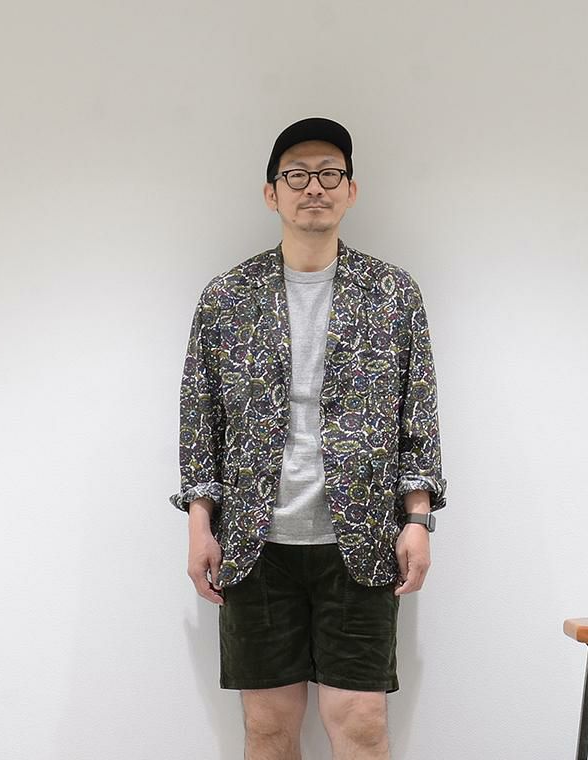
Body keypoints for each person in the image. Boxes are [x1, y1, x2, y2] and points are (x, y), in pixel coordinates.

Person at [169, 117, 446, 760]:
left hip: (363, 541)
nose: (313, 188)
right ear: (272, 193)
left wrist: (418, 520)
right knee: (268, 728)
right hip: (254, 544)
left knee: (361, 725)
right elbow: (199, 420)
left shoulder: (393, 294)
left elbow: (419, 414)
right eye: (296, 176)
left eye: (329, 174)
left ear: (351, 190)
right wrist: (199, 525)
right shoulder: (227, 297)